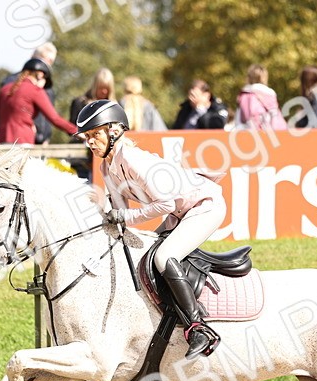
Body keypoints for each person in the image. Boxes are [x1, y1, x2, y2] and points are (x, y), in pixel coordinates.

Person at [77, 99, 225, 358]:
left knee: (163, 257)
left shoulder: (132, 158)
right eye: (86, 137)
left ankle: (198, 328)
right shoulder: (106, 167)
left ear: (113, 131)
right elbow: (119, 219)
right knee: (142, 258)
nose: (89, 141)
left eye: (94, 134)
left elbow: (163, 204)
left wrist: (123, 216)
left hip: (204, 206)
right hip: (179, 213)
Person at [0, 58, 76, 145]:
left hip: (1, 142)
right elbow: (55, 119)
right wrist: (76, 131)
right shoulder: (35, 90)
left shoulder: (5, 89)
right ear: (40, 75)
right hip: (23, 141)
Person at [0, 43, 59, 143]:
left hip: (41, 143)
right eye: (44, 58)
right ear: (33, 57)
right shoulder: (12, 82)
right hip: (18, 140)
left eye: (50, 61)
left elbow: (50, 116)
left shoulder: (48, 88)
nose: (47, 64)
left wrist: (46, 139)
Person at [235, 64, 287, 131]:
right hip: (271, 134)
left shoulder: (245, 94)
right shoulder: (270, 94)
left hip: (250, 134)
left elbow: (239, 120)